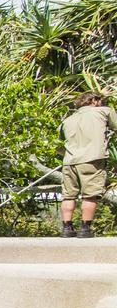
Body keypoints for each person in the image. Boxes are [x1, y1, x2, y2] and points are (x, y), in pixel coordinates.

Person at [60, 92, 117, 238]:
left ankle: (67, 228)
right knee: (90, 195)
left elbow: (60, 145)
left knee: (68, 196)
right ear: (93, 100)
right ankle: (85, 228)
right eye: (100, 100)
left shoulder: (68, 119)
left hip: (69, 161)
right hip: (91, 160)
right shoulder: (104, 112)